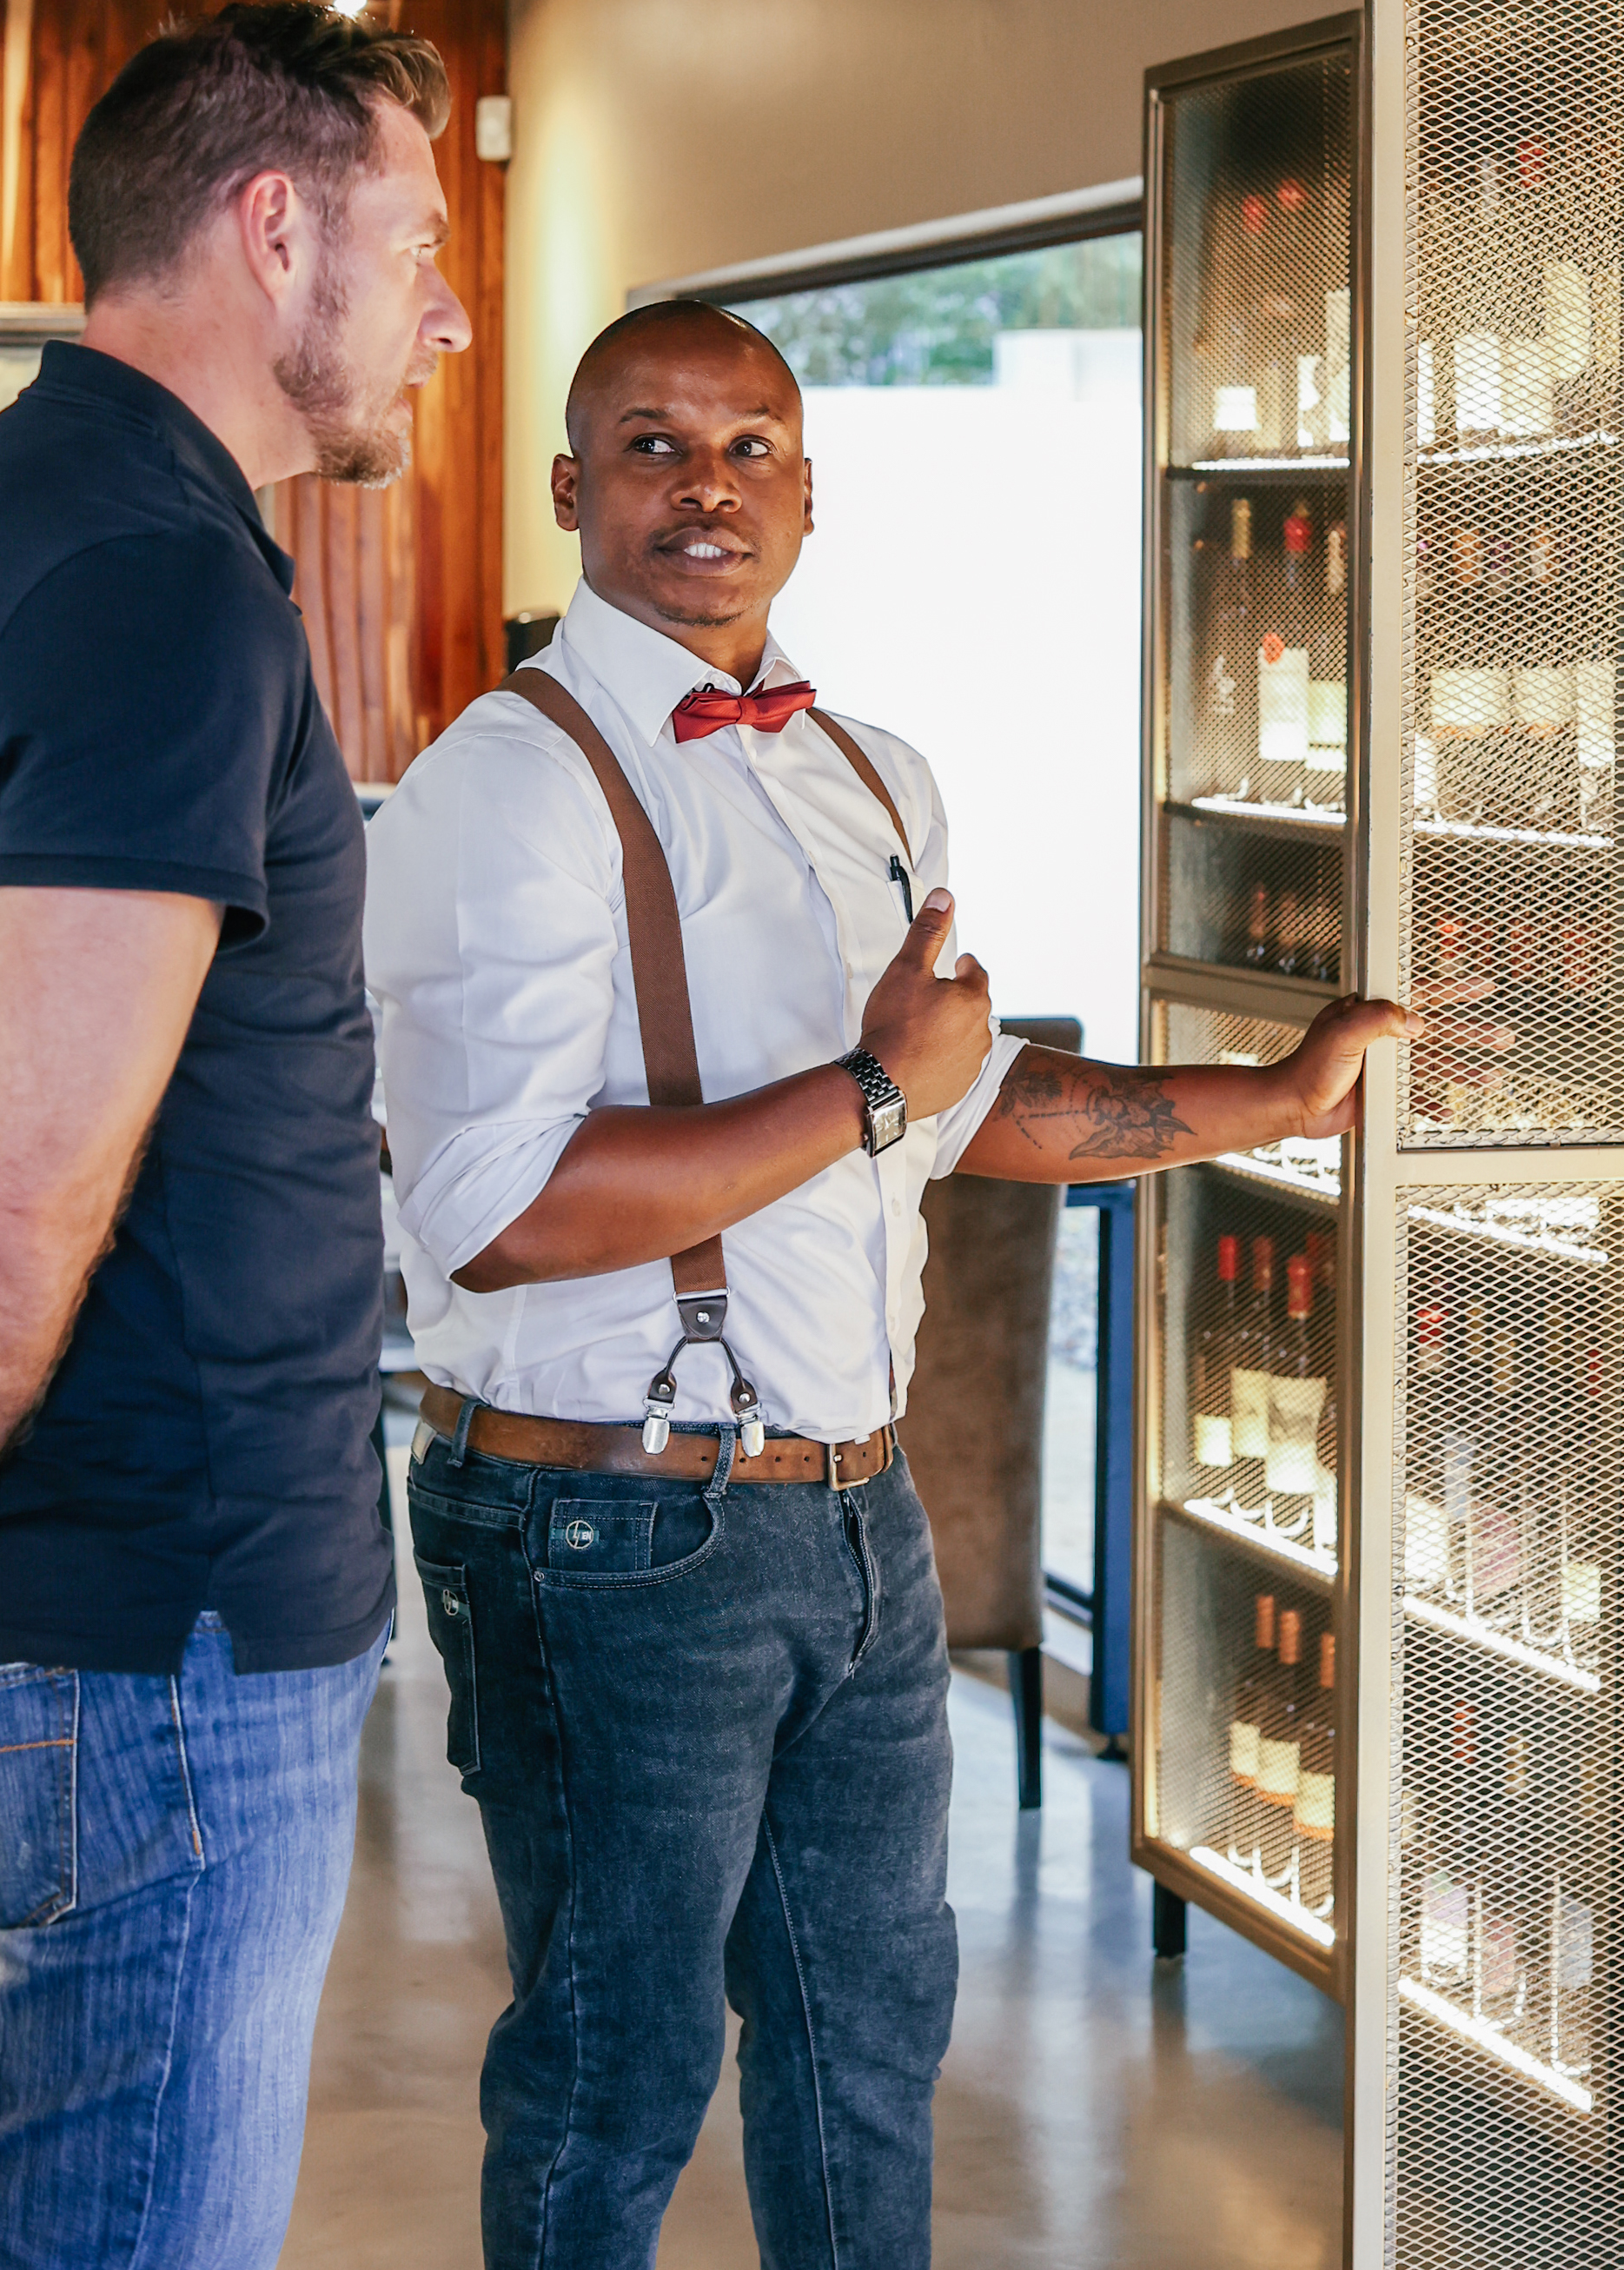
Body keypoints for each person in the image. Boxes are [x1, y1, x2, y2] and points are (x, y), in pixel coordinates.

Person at [363, 297, 1418, 2270]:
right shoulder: (498, 785)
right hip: (604, 1522)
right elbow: (496, 1206)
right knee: (614, 2072)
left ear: (808, 491)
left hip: (857, 1514)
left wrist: (1270, 1097)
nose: (707, 484)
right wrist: (866, 1087)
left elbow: (960, 1102)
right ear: (573, 486)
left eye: (750, 444)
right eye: (656, 445)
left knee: (866, 2051)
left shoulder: (871, 771)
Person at [0, 2, 471, 2269]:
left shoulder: (19, 514)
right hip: (166, 1635)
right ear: (271, 229)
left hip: (128, 1626)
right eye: (415, 240)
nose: (447, 309)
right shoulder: (153, 585)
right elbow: (24, 1162)